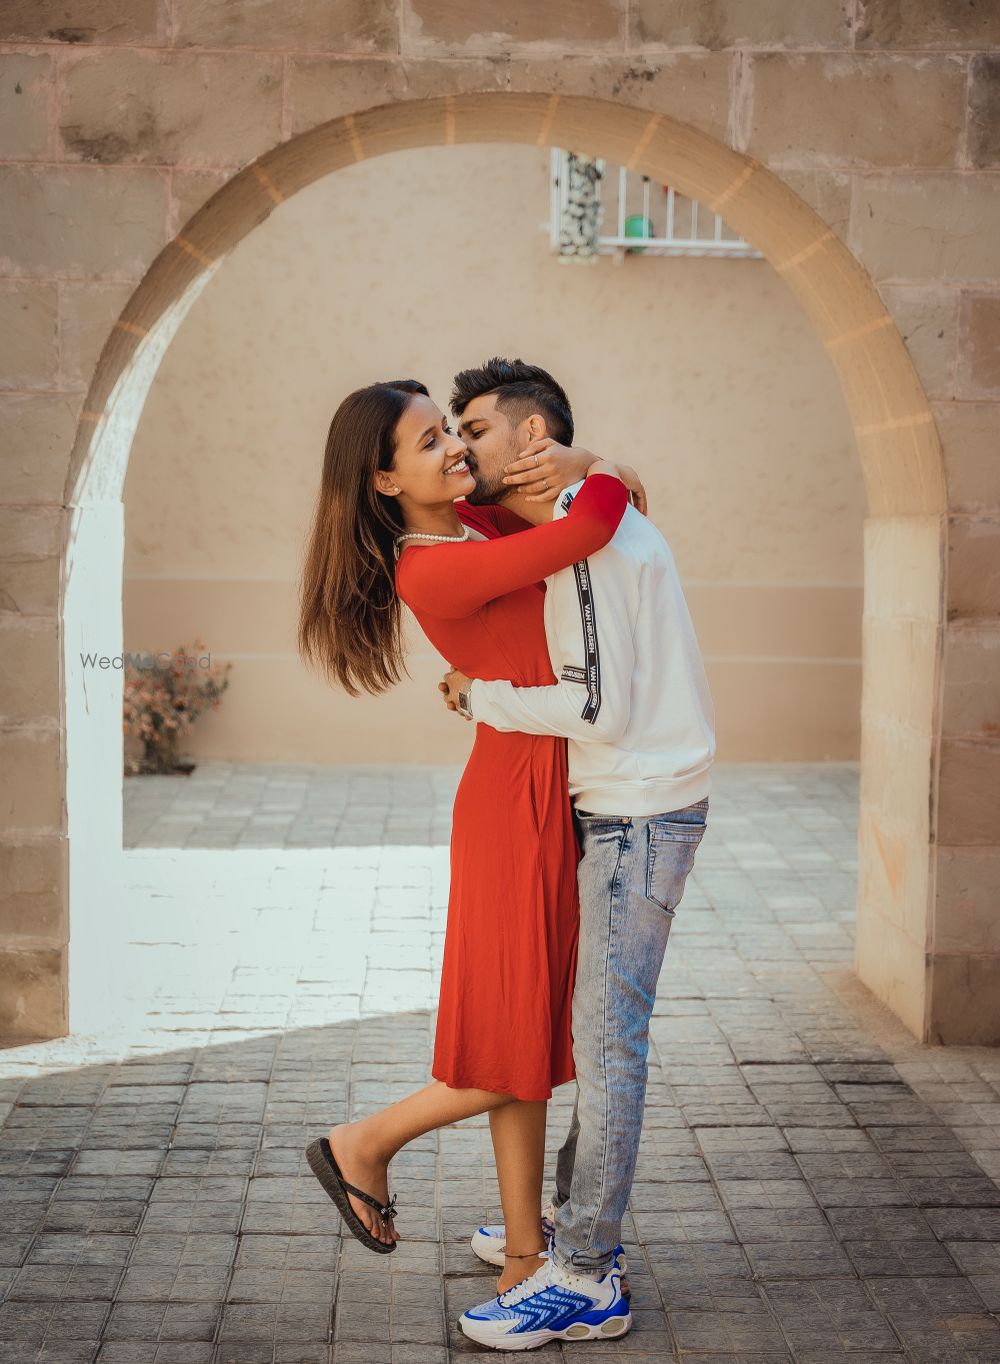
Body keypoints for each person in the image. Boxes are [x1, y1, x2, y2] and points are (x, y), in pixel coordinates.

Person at [297, 377, 635, 1341]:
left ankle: (528, 1253)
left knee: (521, 1034)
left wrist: (596, 475)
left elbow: (604, 513)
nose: (451, 446)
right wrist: (593, 465)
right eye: (427, 439)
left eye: (450, 429)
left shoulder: (473, 525)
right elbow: (588, 527)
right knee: (522, 1043)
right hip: (514, 801)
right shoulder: (428, 568)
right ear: (383, 479)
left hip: (538, 780)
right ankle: (361, 1143)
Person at [439, 358, 716, 1351]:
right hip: (632, 805)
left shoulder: (584, 543)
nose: (459, 444)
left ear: (528, 436)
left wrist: (476, 696)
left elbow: (599, 704)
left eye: (472, 426)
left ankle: (588, 1273)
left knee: (607, 1043)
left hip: (638, 813)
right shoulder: (569, 520)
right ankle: (574, 1226)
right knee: (598, 1029)